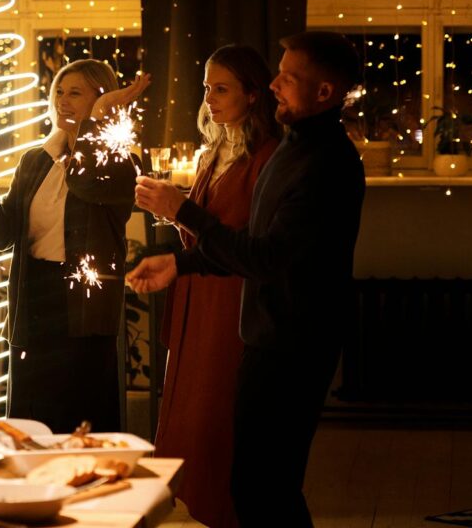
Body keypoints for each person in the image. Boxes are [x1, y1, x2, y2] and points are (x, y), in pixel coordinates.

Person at [129, 31, 365, 527]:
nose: (275, 83)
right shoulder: (294, 149)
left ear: (325, 93)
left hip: (294, 345)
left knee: (265, 487)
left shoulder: (327, 165)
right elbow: (252, 245)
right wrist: (181, 264)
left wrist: (183, 213)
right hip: (266, 336)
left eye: (288, 77)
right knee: (256, 483)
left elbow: (267, 258)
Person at [136, 45, 282, 528]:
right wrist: (172, 215)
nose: (210, 99)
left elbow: (245, 239)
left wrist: (180, 210)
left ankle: (217, 514)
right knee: (182, 416)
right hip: (197, 291)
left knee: (212, 417)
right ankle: (181, 512)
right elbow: (202, 228)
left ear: (253, 93)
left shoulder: (265, 156)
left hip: (229, 300)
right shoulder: (217, 147)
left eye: (222, 89)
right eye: (206, 88)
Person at [0, 59, 149, 434]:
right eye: (59, 93)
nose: (63, 101)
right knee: (31, 420)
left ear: (103, 99)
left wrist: (98, 119)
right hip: (34, 299)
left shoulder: (119, 162)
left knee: (78, 420)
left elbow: (85, 183)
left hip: (83, 303)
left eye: (76, 94)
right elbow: (3, 238)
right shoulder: (35, 159)